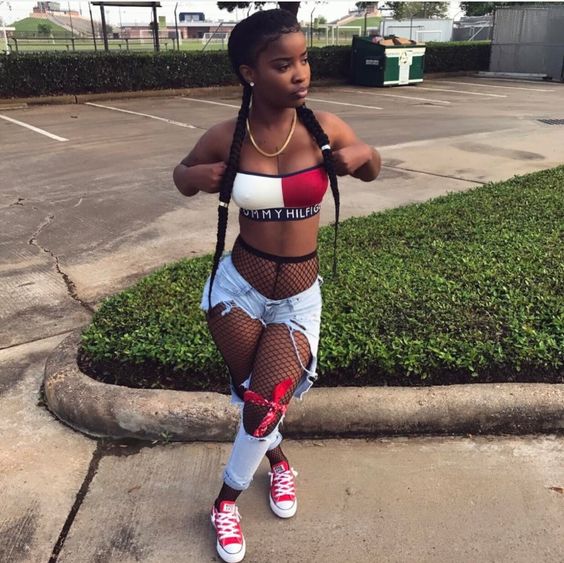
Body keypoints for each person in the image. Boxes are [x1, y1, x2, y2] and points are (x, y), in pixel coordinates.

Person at [173, 9, 381, 563]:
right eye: (283, 64)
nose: (300, 73)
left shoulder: (324, 129)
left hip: (296, 298)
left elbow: (372, 166)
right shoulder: (226, 137)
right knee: (258, 400)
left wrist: (364, 157)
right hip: (237, 291)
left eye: (304, 59)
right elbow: (181, 176)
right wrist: (194, 177)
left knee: (264, 405)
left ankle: (224, 501)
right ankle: (279, 463)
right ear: (250, 73)